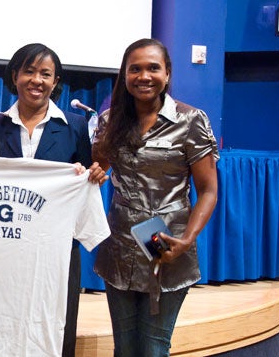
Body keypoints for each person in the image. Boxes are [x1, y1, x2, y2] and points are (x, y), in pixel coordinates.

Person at [92, 38, 219, 357]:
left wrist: (188, 239)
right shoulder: (110, 120)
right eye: (135, 69)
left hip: (166, 247)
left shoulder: (191, 121)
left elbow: (208, 190)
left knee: (153, 348)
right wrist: (96, 171)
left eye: (153, 68)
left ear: (167, 73)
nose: (144, 76)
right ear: (124, 75)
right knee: (124, 347)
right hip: (119, 247)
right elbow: (100, 166)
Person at [0, 43, 108, 356]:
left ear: (56, 81)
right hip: (5, 243)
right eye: (29, 71)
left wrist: (93, 174)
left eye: (46, 74)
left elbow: (86, 178)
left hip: (57, 249)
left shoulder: (74, 126)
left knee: (58, 325)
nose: (37, 80)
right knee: (1, 321)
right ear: (15, 75)